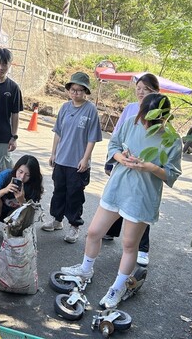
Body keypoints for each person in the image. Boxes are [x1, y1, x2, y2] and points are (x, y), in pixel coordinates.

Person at [60, 93, 182, 309]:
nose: (145, 123)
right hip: (118, 187)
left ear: (163, 118)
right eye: (144, 117)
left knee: (128, 244)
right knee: (94, 232)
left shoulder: (172, 139)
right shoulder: (130, 123)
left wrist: (150, 167)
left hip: (142, 196)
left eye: (152, 121)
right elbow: (113, 146)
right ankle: (86, 268)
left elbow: (171, 174)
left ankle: (118, 286)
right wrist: (120, 157)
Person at [103, 73, 160, 267]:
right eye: (139, 88)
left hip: (144, 171)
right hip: (124, 164)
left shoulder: (157, 110)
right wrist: (112, 160)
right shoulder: (129, 109)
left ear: (155, 92)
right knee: (118, 199)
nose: (141, 92)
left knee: (139, 210)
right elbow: (116, 137)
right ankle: (110, 231)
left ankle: (142, 248)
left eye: (146, 89)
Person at [41, 72, 103, 243]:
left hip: (78, 162)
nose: (75, 93)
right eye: (73, 90)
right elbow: (58, 133)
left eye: (79, 90)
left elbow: (92, 138)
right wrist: (53, 153)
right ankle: (57, 220)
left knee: (75, 195)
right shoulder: (65, 107)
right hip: (61, 159)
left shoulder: (90, 110)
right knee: (58, 191)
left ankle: (74, 226)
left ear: (86, 92)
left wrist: (85, 158)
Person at [0, 155, 44, 238]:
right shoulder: (5, 176)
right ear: (16, 168)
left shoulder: (34, 185)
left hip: (14, 215)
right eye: (20, 172)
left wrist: (22, 201)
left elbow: (31, 214)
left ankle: (14, 232)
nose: (22, 177)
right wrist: (4, 190)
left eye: (27, 175)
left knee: (28, 210)